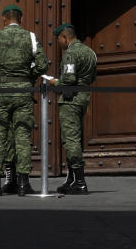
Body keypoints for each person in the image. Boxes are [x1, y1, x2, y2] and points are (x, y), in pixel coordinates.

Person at [0, 5, 48, 196]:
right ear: (21, 18)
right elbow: (42, 64)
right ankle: (23, 183)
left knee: (0, 136)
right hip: (24, 92)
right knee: (23, 137)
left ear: (3, 19)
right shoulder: (31, 37)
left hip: (2, 92)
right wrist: (29, 77)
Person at [48, 23, 97, 195]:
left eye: (59, 40)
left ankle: (80, 181)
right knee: (73, 137)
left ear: (65, 37)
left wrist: (55, 83)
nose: (59, 44)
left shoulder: (71, 53)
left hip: (71, 99)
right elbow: (92, 77)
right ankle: (71, 179)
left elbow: (68, 79)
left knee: (71, 139)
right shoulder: (90, 52)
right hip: (83, 97)